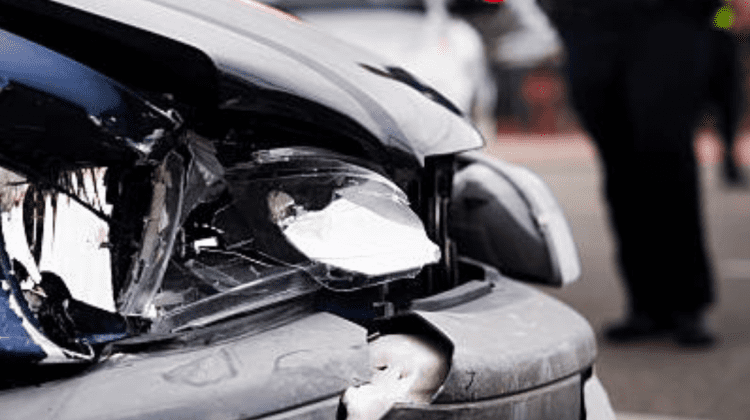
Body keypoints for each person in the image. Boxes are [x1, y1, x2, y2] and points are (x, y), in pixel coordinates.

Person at [540, 0, 722, 346]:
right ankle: (645, 302)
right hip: (588, 23)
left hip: (666, 19)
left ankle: (688, 302)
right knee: (618, 166)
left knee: (665, 152)